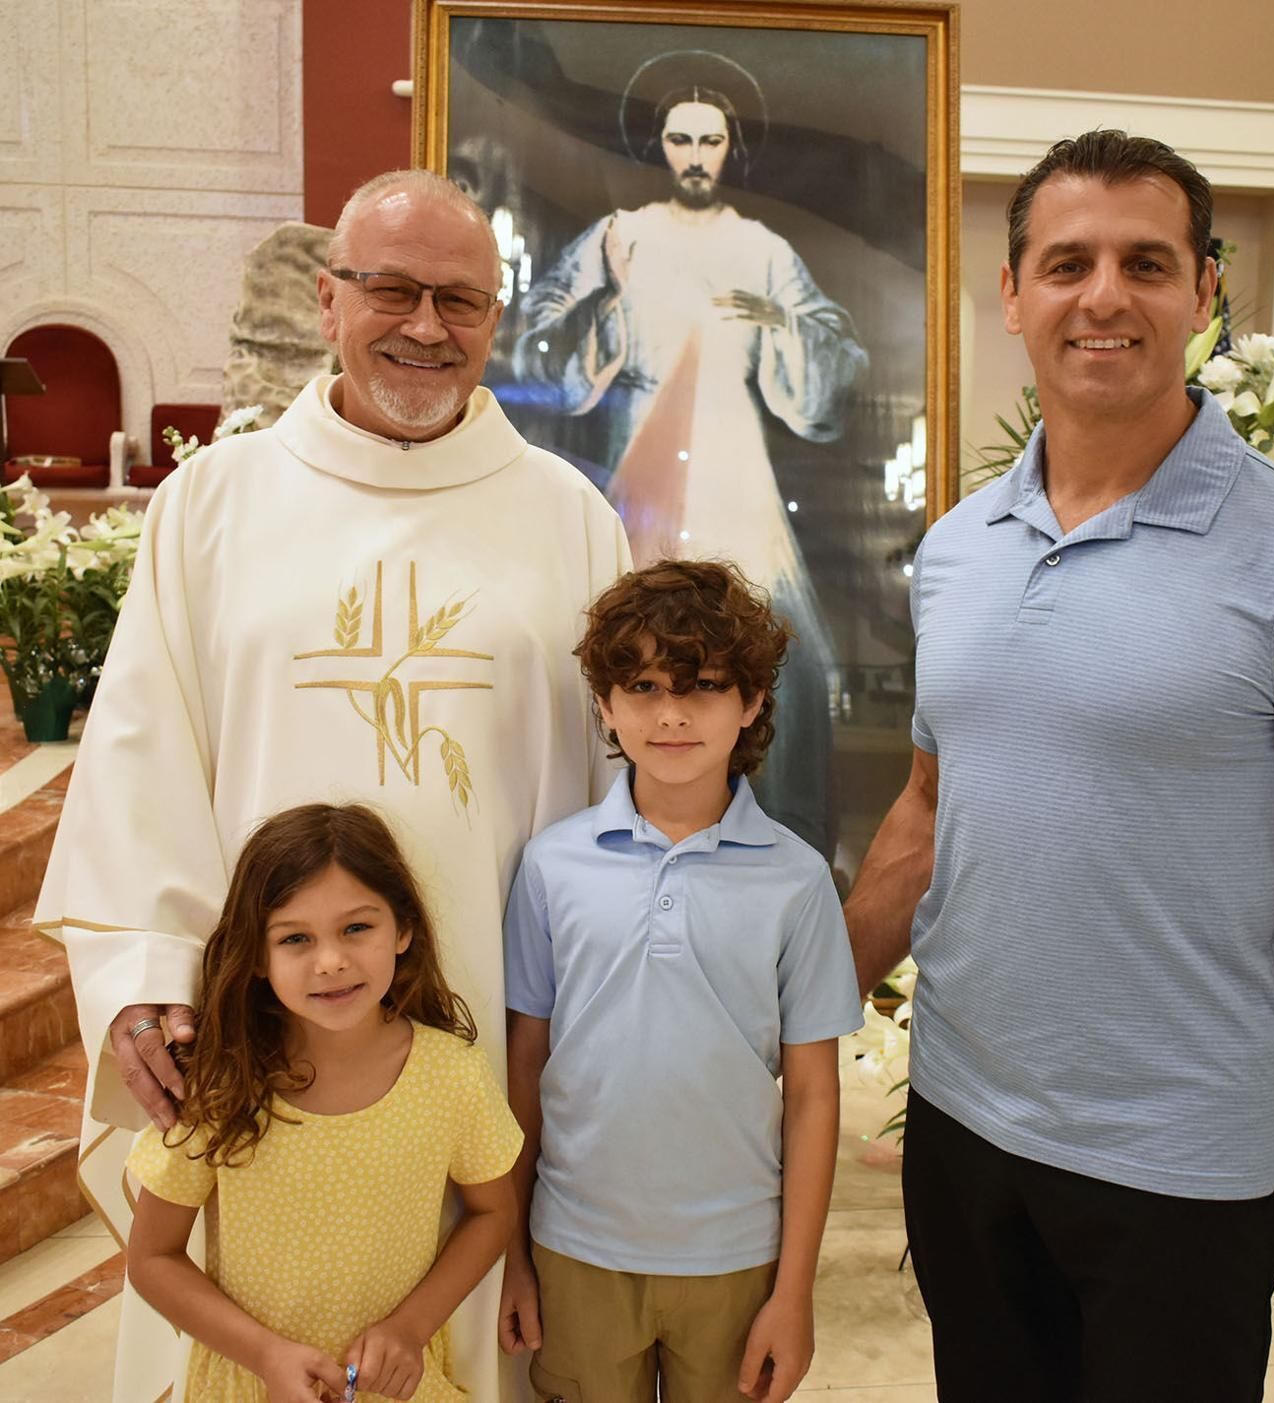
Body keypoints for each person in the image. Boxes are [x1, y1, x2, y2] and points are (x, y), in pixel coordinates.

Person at [845, 130, 1274, 1401]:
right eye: (1067, 263)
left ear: (1203, 291)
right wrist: (795, 1004)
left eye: (1147, 262)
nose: (1103, 295)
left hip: (1182, 1168)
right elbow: (931, 805)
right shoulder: (959, 546)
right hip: (961, 1130)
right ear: (1012, 294)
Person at [35, 168, 630, 1403]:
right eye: (392, 290)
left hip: (485, 1030)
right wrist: (143, 980)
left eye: (459, 300)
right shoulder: (213, 503)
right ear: (327, 299)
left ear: (495, 315)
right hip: (264, 1038)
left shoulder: (568, 517)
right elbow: (141, 758)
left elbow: (611, 791)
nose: (426, 326)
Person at [496, 559, 862, 1402]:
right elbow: (524, 1066)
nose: (670, 713)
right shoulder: (551, 865)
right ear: (604, 703)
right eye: (643, 686)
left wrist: (795, 1291)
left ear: (752, 701)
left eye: (702, 685)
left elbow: (813, 1095)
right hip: (575, 1249)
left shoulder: (797, 880)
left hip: (736, 1257)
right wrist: (513, 1253)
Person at [512, 57, 869, 856]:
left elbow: (835, 356)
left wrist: (779, 322)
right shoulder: (621, 234)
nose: (697, 156)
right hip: (638, 454)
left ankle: (766, 856)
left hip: (732, 463)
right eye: (682, 140)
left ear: (731, 146)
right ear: (661, 146)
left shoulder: (761, 247)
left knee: (788, 661)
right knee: (617, 650)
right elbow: (538, 341)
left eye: (711, 140)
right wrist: (607, 297)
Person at [127, 803, 521, 1403]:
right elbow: (152, 1258)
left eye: (356, 928)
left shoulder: (451, 1074)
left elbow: (493, 1213)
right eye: (295, 939)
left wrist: (411, 1328)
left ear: (404, 930)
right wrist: (266, 1355)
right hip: (251, 1388)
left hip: (396, 1388)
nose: (331, 961)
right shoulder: (222, 1083)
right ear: (257, 957)